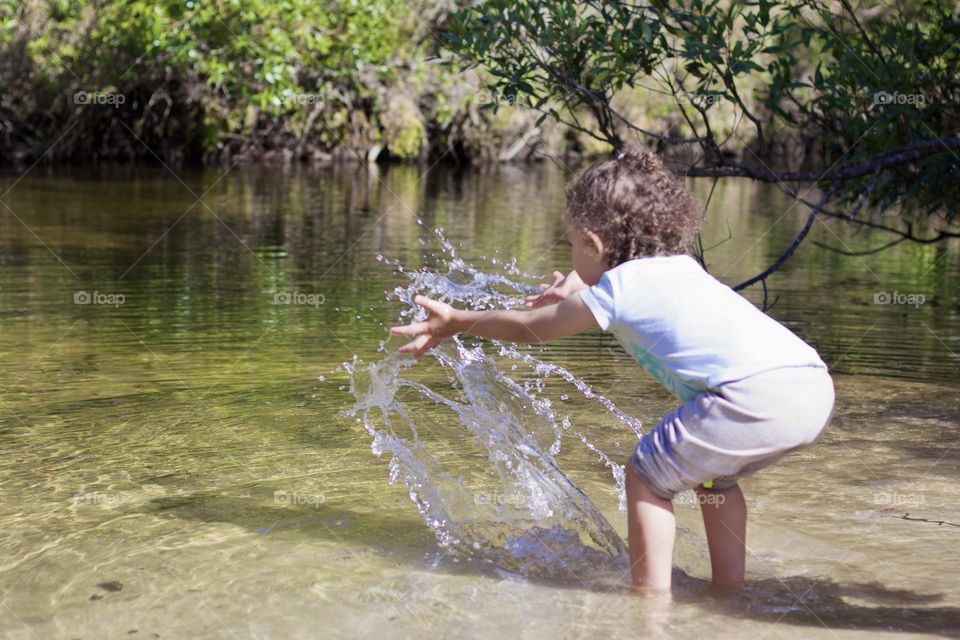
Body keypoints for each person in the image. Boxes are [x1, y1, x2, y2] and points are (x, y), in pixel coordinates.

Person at [388, 148, 835, 593]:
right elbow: (621, 281)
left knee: (646, 476)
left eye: (570, 244)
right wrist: (580, 284)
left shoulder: (618, 290)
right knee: (714, 480)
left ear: (593, 243)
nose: (570, 256)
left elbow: (530, 330)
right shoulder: (680, 267)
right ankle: (729, 594)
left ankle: (649, 602)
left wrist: (456, 322)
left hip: (749, 396)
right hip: (809, 384)